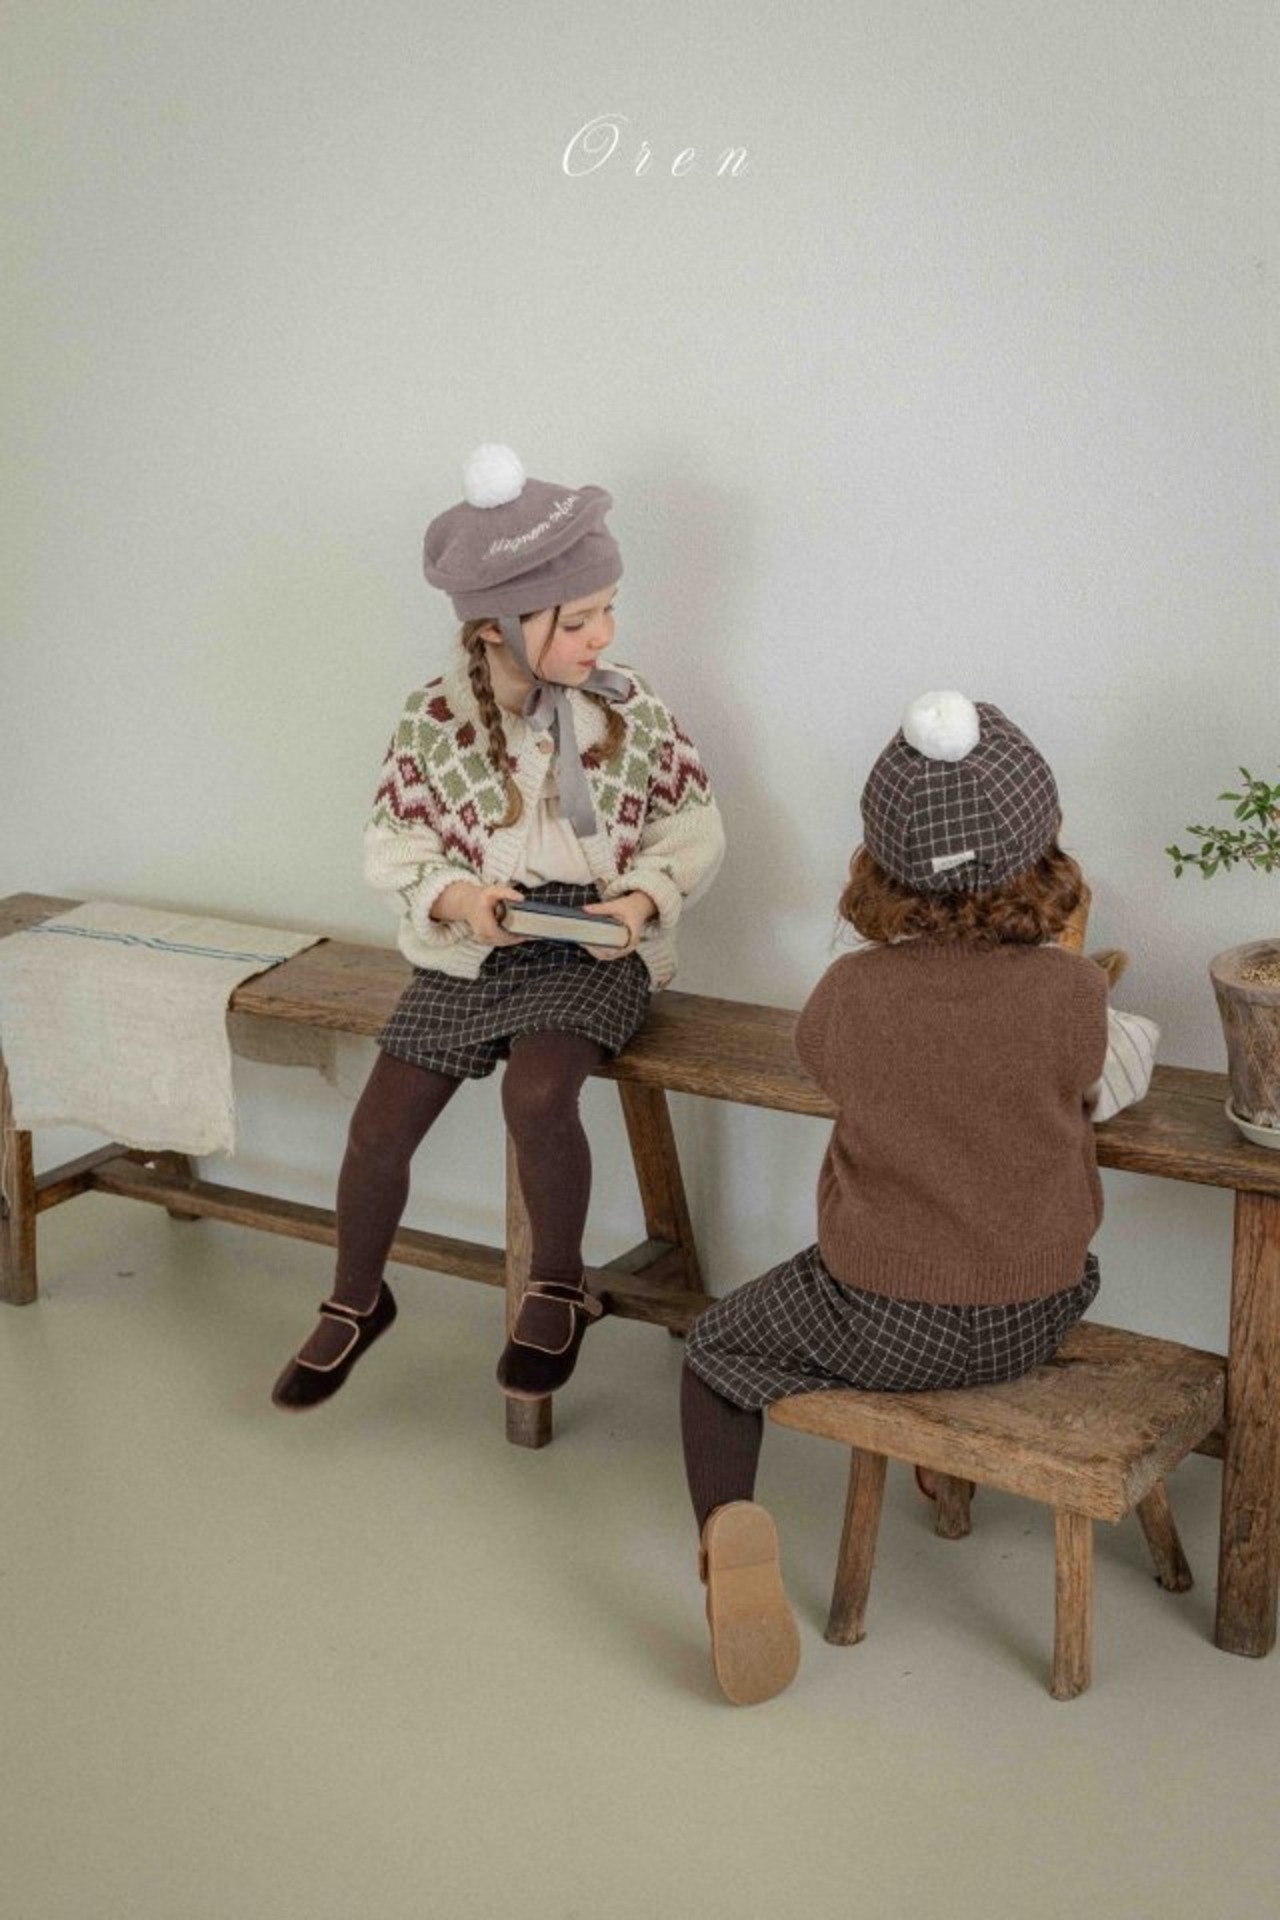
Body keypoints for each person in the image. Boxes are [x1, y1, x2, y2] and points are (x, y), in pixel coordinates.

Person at [678, 690, 1158, 1705]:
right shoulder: (1077, 1000)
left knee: (716, 1347)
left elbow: (824, 1060)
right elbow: (1117, 1077)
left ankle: (724, 1545)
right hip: (1038, 1310)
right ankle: (939, 1455)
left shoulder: (847, 997)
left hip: (879, 1320)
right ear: (1045, 852)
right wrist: (1066, 982)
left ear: (877, 863)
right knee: (991, 1289)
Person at [271, 444, 724, 1410]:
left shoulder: (630, 707)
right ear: (496, 629)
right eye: (578, 620)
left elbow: (693, 827)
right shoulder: (434, 722)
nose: (603, 635)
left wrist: (642, 900)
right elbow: (394, 844)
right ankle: (357, 1297)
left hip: (595, 947)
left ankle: (558, 1282)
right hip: (477, 948)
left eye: (607, 609)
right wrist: (462, 901)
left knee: (538, 1093)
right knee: (378, 1126)